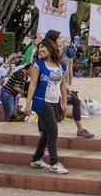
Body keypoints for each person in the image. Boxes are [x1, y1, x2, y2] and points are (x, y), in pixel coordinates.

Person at [25, 38, 69, 174]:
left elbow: (63, 84)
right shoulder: (38, 65)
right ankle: (54, 162)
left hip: (55, 102)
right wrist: (28, 104)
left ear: (51, 49)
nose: (40, 50)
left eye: (43, 47)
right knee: (53, 131)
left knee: (46, 132)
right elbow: (32, 85)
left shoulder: (62, 66)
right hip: (42, 102)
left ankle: (36, 158)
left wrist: (64, 102)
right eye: (39, 48)